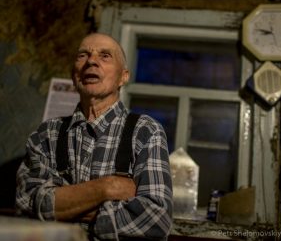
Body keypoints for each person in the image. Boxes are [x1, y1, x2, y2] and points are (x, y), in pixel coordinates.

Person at [16, 33, 173, 240]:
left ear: (123, 77)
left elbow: (156, 218)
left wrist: (68, 205)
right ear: (74, 75)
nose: (91, 61)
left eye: (105, 56)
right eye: (83, 55)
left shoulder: (145, 131)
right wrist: (107, 187)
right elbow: (28, 203)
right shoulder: (46, 134)